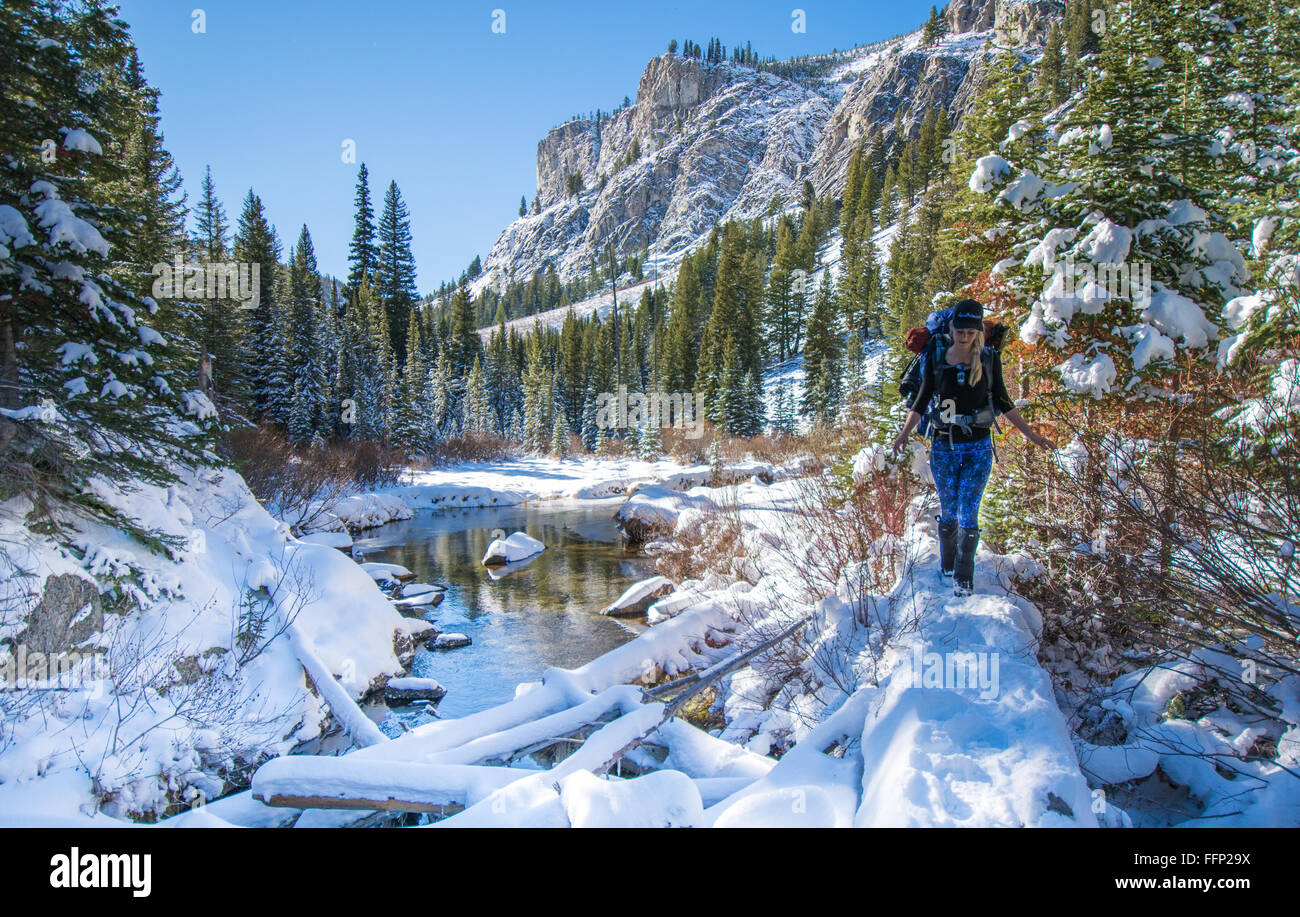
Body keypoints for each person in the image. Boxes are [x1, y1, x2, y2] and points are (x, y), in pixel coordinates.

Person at [891, 298, 1055, 596]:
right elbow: (922, 398)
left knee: (969, 512)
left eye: (971, 332)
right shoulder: (939, 356)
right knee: (950, 510)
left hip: (978, 447)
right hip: (944, 446)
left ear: (978, 331)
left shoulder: (989, 358)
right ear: (952, 328)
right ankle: (948, 567)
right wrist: (904, 434)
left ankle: (963, 579)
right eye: (960, 330)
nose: (964, 336)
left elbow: (1004, 401)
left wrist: (1031, 435)